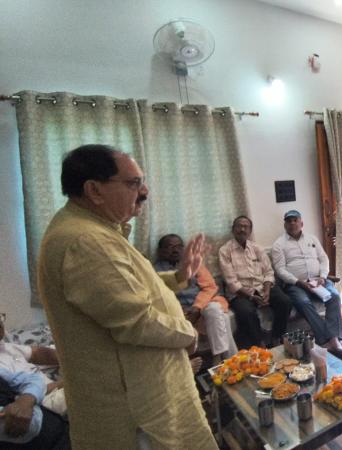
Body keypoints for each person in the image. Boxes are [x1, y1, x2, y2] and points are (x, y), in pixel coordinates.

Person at [37, 145, 217, 448]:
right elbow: (137, 321)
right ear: (94, 190)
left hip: (138, 395)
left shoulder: (94, 228)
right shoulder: (86, 240)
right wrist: (187, 332)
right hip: (134, 409)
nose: (144, 192)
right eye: (134, 183)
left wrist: (180, 276)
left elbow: (129, 286)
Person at [272, 210, 342, 359]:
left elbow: (324, 259)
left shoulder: (312, 238)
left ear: (301, 223)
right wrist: (298, 282)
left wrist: (323, 277)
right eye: (289, 221)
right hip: (295, 284)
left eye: (295, 220)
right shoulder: (279, 245)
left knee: (334, 296)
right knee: (303, 302)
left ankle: (334, 339)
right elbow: (280, 270)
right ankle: (326, 339)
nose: (292, 223)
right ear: (285, 225)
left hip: (318, 280)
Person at [155, 234, 237, 363]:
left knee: (214, 309)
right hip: (182, 312)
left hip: (202, 306)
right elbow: (159, 298)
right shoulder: (155, 271)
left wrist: (197, 307)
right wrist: (184, 312)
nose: (175, 250)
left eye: (179, 246)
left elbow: (210, 287)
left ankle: (218, 358)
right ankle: (230, 360)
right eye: (170, 247)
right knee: (222, 317)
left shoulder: (194, 264)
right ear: (161, 251)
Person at [219, 216, 293, 349]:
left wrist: (267, 291)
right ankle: (260, 344)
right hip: (240, 292)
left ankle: (277, 337)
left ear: (250, 230)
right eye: (239, 226)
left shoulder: (257, 248)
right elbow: (231, 282)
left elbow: (268, 272)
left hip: (262, 287)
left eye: (246, 227)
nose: (242, 229)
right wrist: (251, 296)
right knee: (246, 312)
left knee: (285, 301)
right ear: (233, 229)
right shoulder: (225, 251)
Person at [0, 313, 66, 416]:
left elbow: (36, 353)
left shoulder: (5, 347)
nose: (1, 324)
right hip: (44, 402)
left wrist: (70, 359)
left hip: (52, 388)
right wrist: (64, 383)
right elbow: (28, 395)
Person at [0, 367, 69, 449]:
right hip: (49, 442)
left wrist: (26, 399)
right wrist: (29, 397)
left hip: (62, 426)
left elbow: (34, 379)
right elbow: (31, 425)